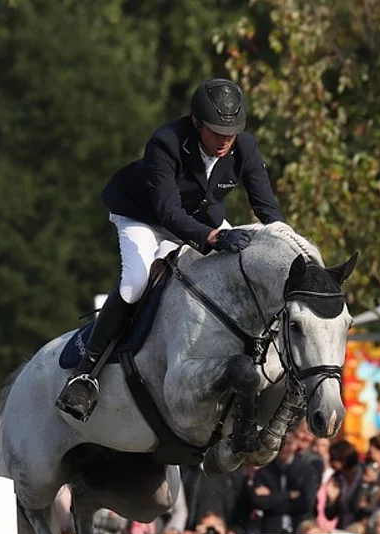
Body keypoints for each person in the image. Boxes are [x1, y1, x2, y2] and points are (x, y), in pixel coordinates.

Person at [58, 77, 286, 421]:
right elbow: (168, 213)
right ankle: (85, 374)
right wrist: (212, 238)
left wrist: (288, 249)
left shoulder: (246, 147)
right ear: (196, 122)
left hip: (200, 218)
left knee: (241, 268)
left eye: (231, 133)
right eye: (216, 132)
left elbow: (267, 209)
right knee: (135, 283)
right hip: (144, 217)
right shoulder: (166, 142)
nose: (225, 140)